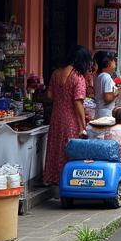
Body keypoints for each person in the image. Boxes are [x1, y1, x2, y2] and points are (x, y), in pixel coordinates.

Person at [43, 45, 92, 185]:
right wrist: (83, 125)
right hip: (71, 119)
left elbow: (49, 95)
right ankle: (68, 181)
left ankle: (54, 178)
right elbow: (78, 103)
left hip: (56, 116)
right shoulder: (78, 78)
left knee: (56, 147)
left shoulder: (56, 73)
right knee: (70, 149)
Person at [93, 51, 121, 120]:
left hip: (100, 112)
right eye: (114, 62)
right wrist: (118, 91)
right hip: (106, 114)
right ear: (108, 64)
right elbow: (107, 98)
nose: (115, 65)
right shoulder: (106, 77)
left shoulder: (99, 76)